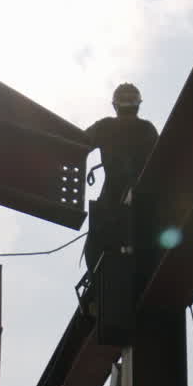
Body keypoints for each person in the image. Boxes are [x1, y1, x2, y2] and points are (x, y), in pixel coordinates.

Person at [82, 83, 159, 271]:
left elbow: (77, 143)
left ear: (115, 105)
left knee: (95, 245)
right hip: (142, 200)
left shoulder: (105, 127)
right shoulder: (146, 129)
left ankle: (98, 282)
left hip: (117, 200)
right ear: (137, 104)